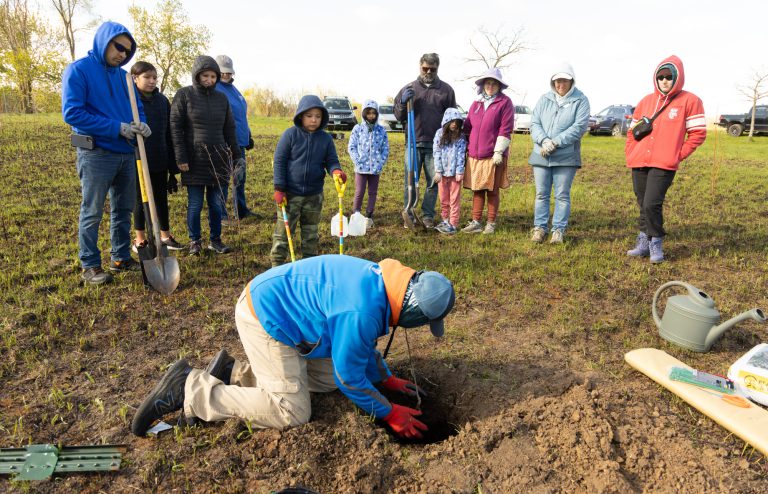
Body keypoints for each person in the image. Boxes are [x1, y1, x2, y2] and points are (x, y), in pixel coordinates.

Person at [131, 255, 456, 440]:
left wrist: (385, 378)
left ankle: (234, 373)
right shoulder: (362, 310)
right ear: (413, 313)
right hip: (265, 318)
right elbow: (350, 378)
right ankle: (191, 391)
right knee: (293, 411)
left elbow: (358, 348)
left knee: (328, 378)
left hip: (281, 309)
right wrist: (389, 412)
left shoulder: (383, 282)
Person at [62, 21, 150, 285]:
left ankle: (120, 257)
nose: (123, 54)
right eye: (118, 47)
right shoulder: (79, 70)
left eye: (128, 50)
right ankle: (90, 265)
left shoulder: (125, 77)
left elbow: (138, 110)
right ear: (104, 41)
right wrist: (117, 128)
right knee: (92, 211)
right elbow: (73, 113)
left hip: (126, 153)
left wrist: (143, 124)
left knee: (123, 209)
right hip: (96, 154)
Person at [625, 56, 706, 263]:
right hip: (639, 161)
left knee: (652, 203)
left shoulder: (690, 101)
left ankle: (656, 241)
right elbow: (632, 132)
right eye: (660, 76)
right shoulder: (646, 101)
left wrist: (677, 154)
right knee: (642, 202)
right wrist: (631, 152)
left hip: (664, 163)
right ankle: (643, 241)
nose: (664, 80)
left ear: (677, 77)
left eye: (669, 76)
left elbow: (698, 134)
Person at [170, 55, 241, 255]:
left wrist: (236, 156)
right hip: (194, 159)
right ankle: (195, 241)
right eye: (205, 76)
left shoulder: (222, 99)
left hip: (219, 159)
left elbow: (229, 128)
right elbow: (175, 127)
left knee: (217, 204)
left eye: (213, 76)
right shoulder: (184, 95)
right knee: (195, 204)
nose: (209, 80)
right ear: (197, 75)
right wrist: (181, 157)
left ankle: (215, 240)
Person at [270, 95, 347, 267]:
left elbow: (331, 160)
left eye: (318, 116)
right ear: (301, 116)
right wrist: (279, 188)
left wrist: (336, 171)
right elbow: (280, 161)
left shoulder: (326, 139)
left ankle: (308, 264)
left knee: (311, 233)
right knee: (283, 234)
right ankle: (276, 265)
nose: (314, 120)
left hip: (314, 195)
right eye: (309, 116)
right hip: (289, 195)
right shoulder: (290, 135)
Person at [528, 63, 590, 244]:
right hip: (541, 153)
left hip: (566, 156)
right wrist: (544, 141)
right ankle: (540, 228)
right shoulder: (544, 99)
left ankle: (558, 230)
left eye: (564, 81)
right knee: (541, 194)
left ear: (571, 81)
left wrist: (556, 142)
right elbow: (535, 123)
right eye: (557, 81)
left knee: (562, 195)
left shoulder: (581, 100)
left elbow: (579, 127)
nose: (560, 84)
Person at [393, 53, 456, 229]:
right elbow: (398, 115)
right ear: (420, 66)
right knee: (409, 181)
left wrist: (449, 140)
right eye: (425, 68)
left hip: (436, 145)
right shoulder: (409, 88)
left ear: (437, 68)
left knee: (432, 182)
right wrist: (402, 102)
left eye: (432, 69)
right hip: (413, 143)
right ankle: (409, 212)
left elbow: (452, 118)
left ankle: (428, 216)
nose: (428, 72)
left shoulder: (446, 90)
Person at [129, 61, 183, 253]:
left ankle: (165, 236)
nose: (152, 81)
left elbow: (168, 132)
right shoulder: (129, 100)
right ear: (134, 78)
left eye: (154, 77)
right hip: (137, 159)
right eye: (147, 77)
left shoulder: (162, 101)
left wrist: (172, 166)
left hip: (159, 157)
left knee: (160, 198)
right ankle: (140, 240)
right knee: (140, 199)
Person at [461, 68, 515, 235]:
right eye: (488, 83)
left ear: (499, 86)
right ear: (483, 85)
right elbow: (468, 127)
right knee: (477, 189)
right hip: (475, 155)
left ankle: (491, 223)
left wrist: (498, 151)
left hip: (493, 155)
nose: (490, 86)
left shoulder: (505, 103)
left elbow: (506, 128)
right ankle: (476, 222)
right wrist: (464, 146)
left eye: (494, 83)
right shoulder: (476, 104)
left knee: (492, 190)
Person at [214, 55, 255, 222]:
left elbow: (241, 116)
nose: (226, 75)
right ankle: (221, 214)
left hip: (240, 142)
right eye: (223, 72)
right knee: (223, 179)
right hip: (226, 142)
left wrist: (248, 135)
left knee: (240, 178)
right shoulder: (216, 89)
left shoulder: (234, 89)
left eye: (229, 72)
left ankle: (241, 210)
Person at [347, 99, 389, 228]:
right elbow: (352, 146)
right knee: (359, 191)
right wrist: (357, 160)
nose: (371, 116)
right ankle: (356, 214)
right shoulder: (358, 129)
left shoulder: (381, 130)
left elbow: (385, 148)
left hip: (375, 168)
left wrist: (380, 163)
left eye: (373, 113)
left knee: (372, 192)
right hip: (361, 168)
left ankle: (369, 215)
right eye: (368, 113)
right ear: (364, 113)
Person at [433, 108, 467, 235]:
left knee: (454, 200)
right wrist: (438, 171)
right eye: (452, 121)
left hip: (454, 175)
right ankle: (445, 220)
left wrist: (459, 171)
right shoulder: (439, 134)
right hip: (442, 175)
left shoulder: (460, 137)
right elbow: (436, 152)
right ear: (446, 121)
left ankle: (453, 224)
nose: (454, 124)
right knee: (443, 199)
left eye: (456, 122)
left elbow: (461, 154)